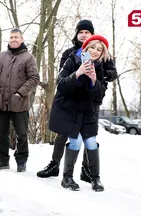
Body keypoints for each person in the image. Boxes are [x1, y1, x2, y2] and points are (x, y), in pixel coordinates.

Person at [37, 20, 117, 181]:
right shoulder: (70, 54)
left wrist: (100, 75)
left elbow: (113, 73)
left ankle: (86, 170)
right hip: (71, 100)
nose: (83, 34)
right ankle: (55, 164)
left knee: (89, 137)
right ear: (77, 34)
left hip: (91, 100)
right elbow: (62, 76)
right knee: (64, 134)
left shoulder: (101, 52)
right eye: (81, 32)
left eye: (87, 32)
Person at [48, 35, 112, 192]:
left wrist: (94, 80)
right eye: (92, 47)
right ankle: (67, 177)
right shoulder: (72, 60)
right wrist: (78, 73)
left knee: (91, 142)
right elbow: (61, 84)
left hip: (88, 111)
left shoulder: (100, 68)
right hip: (70, 110)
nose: (95, 51)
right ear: (86, 47)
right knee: (75, 142)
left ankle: (95, 178)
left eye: (99, 49)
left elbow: (100, 95)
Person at [0, 28, 40, 172]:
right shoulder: (1, 56)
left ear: (22, 39)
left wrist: (19, 94)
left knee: (22, 134)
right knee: (1, 135)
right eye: (11, 37)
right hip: (2, 102)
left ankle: (21, 160)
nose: (13, 39)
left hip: (19, 103)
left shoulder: (28, 57)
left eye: (16, 37)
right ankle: (3, 160)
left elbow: (34, 78)